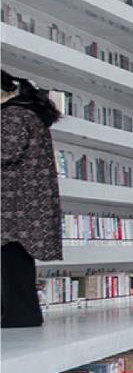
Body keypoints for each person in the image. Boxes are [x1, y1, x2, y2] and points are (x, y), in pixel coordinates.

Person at [1, 72, 63, 328]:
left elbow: (5, 151)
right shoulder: (29, 114)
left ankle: (18, 316)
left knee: (12, 261)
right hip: (25, 204)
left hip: (13, 204)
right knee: (15, 262)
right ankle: (17, 314)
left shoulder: (13, 115)